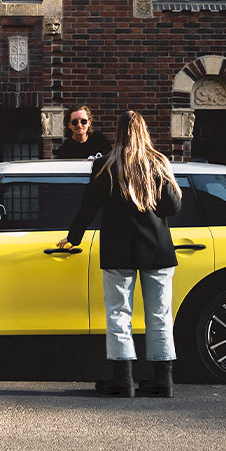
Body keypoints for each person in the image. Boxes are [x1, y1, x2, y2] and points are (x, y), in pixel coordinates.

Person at [56, 111, 183, 398]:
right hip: (157, 249)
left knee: (118, 314)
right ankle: (163, 381)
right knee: (160, 315)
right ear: (145, 131)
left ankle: (122, 380)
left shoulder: (105, 165)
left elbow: (88, 206)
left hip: (119, 249)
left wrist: (73, 238)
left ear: (119, 132)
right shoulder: (158, 163)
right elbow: (172, 208)